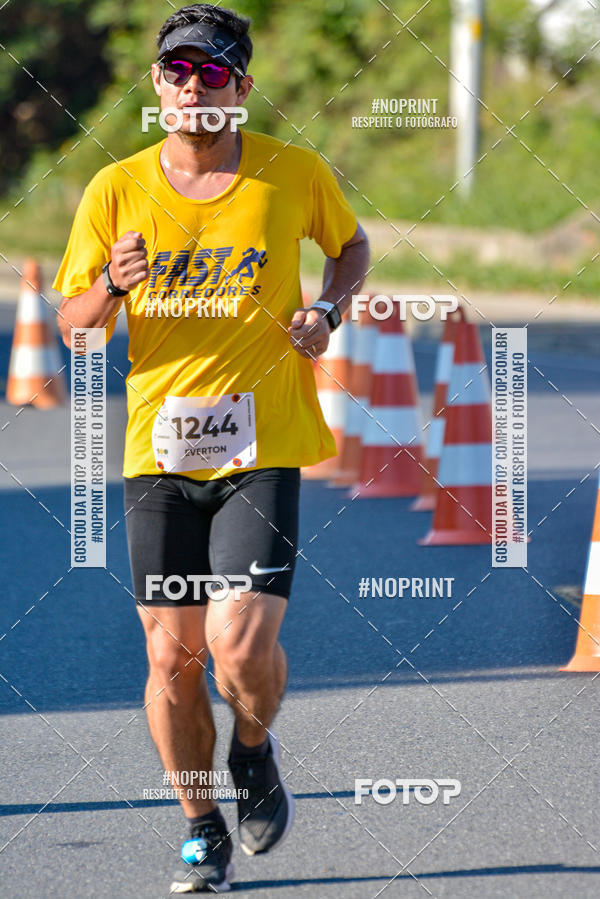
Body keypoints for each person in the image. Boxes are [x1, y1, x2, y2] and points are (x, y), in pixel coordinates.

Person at [54, 2, 369, 892]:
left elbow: (351, 246)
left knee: (234, 647)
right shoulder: (114, 189)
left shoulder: (291, 173)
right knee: (171, 660)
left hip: (259, 445)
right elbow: (73, 324)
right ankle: (200, 824)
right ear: (157, 83)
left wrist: (329, 311)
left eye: (216, 71)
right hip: (158, 455)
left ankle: (256, 749)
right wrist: (111, 288)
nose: (196, 86)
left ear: (243, 88)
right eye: (180, 70)